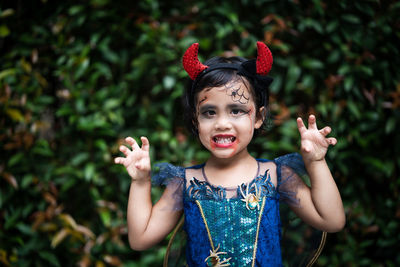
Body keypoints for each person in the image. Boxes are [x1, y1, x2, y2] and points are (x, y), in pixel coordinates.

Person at [115, 42, 345, 266]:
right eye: (209, 112)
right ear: (196, 120)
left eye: (236, 110)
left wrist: (316, 162)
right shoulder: (184, 183)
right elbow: (140, 239)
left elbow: (332, 221)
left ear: (258, 117)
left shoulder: (276, 175)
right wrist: (140, 182)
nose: (222, 123)